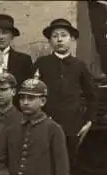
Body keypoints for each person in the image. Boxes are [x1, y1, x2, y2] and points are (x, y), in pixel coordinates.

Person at [33, 18, 98, 166]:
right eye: (55, 36)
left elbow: (92, 96)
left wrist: (88, 121)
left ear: (72, 39)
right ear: (50, 41)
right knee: (44, 164)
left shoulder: (79, 65)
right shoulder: (42, 63)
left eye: (64, 35)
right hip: (45, 123)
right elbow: (32, 92)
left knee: (69, 165)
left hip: (72, 126)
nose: (59, 40)